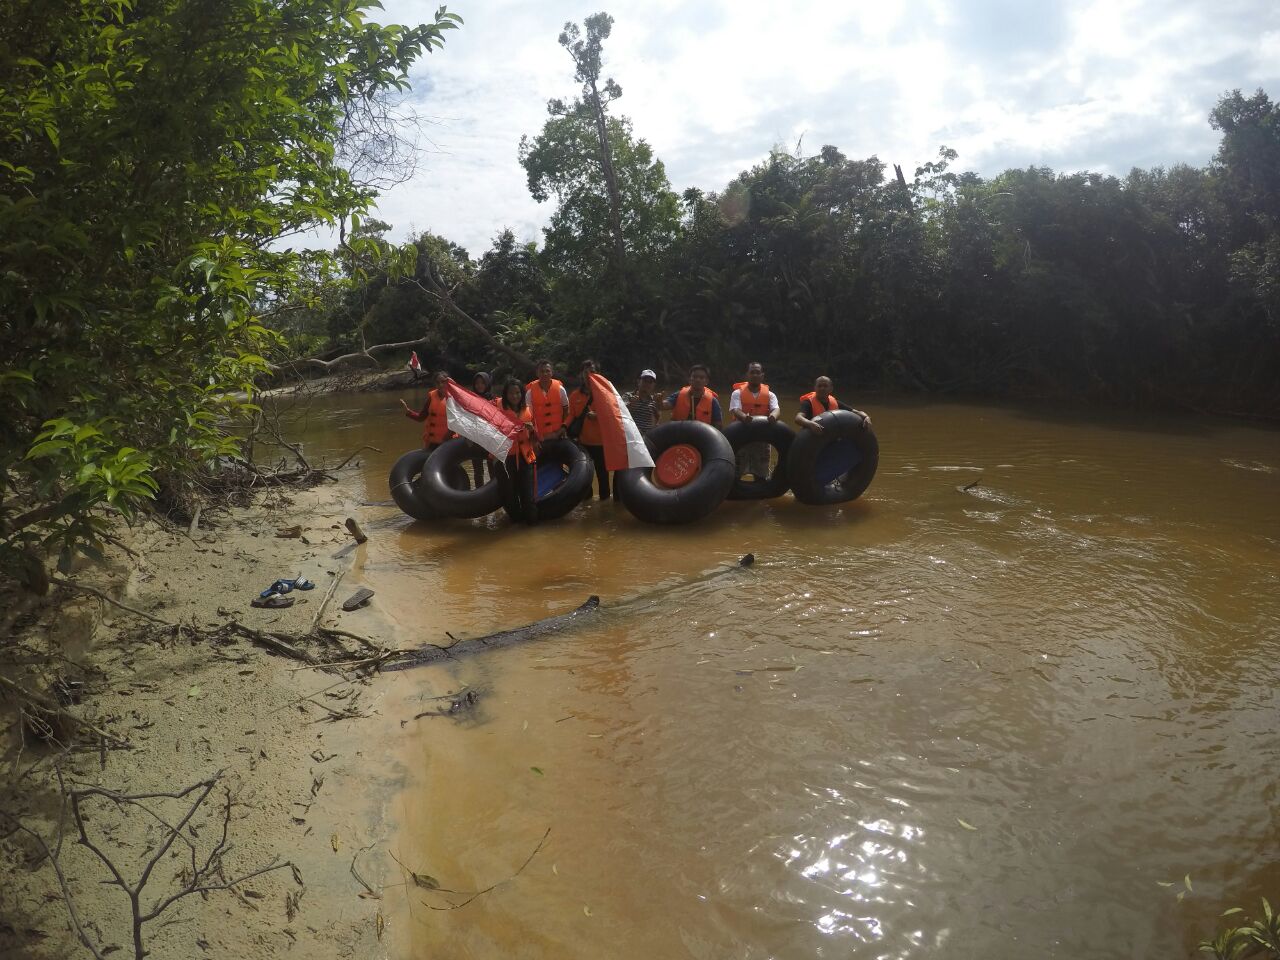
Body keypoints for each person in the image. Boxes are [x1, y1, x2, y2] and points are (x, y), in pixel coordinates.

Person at [494, 377, 539, 520]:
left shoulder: (528, 410)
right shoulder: (497, 410)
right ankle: (515, 528)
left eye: (518, 393)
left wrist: (532, 431)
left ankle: (531, 530)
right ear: (506, 395)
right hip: (505, 458)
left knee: (528, 496)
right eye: (511, 393)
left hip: (525, 457)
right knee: (509, 496)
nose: (515, 396)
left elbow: (535, 439)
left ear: (522, 394)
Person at [729, 361, 779, 479]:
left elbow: (776, 409)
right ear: (747, 375)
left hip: (761, 439)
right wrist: (744, 417)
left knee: (761, 475)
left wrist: (772, 417)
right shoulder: (737, 393)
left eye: (758, 373)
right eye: (752, 372)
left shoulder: (770, 395)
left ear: (762, 375)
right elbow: (735, 410)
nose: (755, 375)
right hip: (741, 437)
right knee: (736, 473)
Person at [568, 359, 610, 500]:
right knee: (585, 478)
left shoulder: (605, 393)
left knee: (603, 476)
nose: (589, 375)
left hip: (602, 443)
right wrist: (563, 427)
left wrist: (598, 416)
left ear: (598, 374)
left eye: (592, 371)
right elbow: (571, 416)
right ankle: (587, 505)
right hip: (583, 443)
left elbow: (614, 415)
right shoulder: (574, 395)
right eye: (586, 372)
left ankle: (605, 506)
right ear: (581, 374)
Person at [794, 376, 873, 435]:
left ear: (831, 389)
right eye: (819, 386)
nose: (822, 388)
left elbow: (856, 412)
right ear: (815, 388)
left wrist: (866, 417)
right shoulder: (808, 403)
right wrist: (810, 424)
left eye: (825, 386)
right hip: (812, 438)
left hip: (830, 438)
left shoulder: (836, 403)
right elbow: (798, 418)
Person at [400, 370, 451, 451]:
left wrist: (447, 439)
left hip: (448, 442)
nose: (441, 385)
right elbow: (421, 417)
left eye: (443, 382)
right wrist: (408, 412)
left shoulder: (454, 398)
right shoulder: (431, 397)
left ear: (448, 382)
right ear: (435, 384)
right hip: (432, 442)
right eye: (438, 383)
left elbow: (459, 423)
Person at [524, 359, 569, 441]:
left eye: (547, 371)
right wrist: (533, 435)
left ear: (552, 373)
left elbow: (566, 410)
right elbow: (528, 415)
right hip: (540, 437)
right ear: (537, 373)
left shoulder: (560, 389)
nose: (545, 374)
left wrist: (564, 428)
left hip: (558, 435)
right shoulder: (530, 392)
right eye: (541, 371)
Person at [468, 372, 495, 485]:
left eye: (482, 383)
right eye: (477, 383)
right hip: (476, 440)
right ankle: (479, 493)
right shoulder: (469, 399)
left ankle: (494, 495)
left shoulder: (495, 400)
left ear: (487, 383)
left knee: (492, 469)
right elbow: (467, 419)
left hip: (490, 440)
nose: (479, 386)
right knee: (478, 471)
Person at [622, 369, 662, 435]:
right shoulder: (628, 396)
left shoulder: (654, 400)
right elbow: (620, 411)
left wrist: (659, 403)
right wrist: (631, 404)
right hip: (631, 434)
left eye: (650, 382)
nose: (647, 384)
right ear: (638, 381)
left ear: (654, 385)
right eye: (645, 381)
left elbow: (658, 418)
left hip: (647, 436)